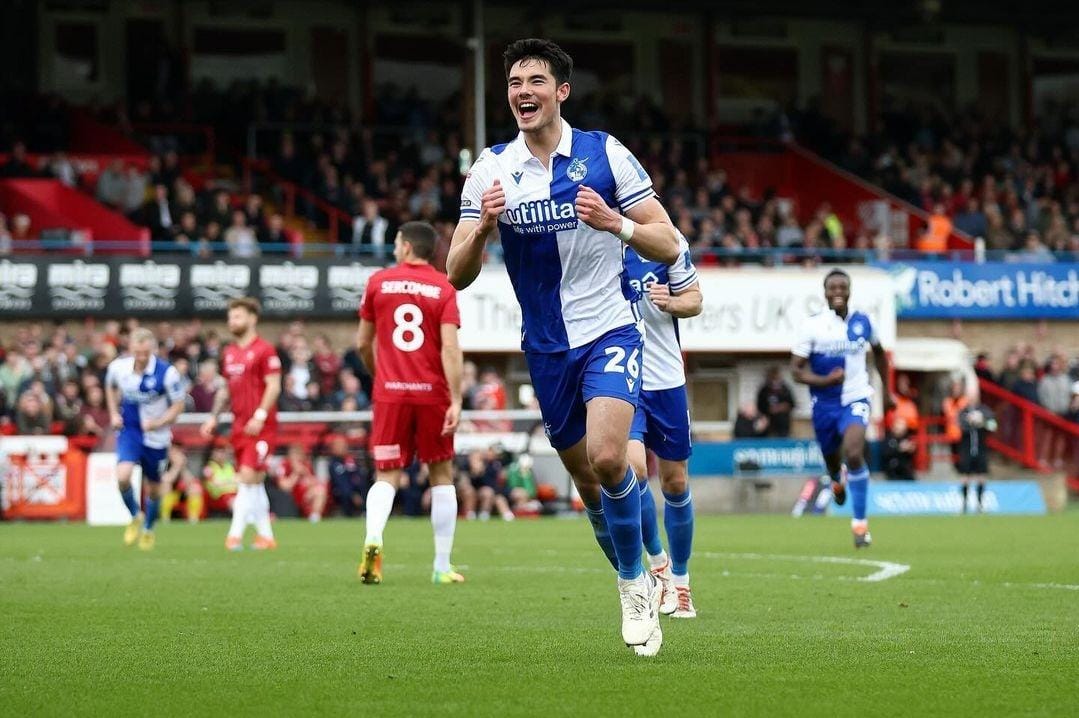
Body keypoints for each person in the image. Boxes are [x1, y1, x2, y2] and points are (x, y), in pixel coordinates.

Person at [446, 37, 679, 654]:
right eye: (515, 82)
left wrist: (617, 223)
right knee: (586, 481)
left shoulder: (606, 154)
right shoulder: (491, 169)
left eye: (536, 81)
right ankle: (634, 567)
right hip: (547, 348)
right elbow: (455, 271)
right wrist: (484, 230)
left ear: (561, 91)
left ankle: (636, 586)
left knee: (610, 458)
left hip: (609, 328)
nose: (523, 91)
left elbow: (669, 242)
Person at [356, 221, 465, 585]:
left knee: (387, 473)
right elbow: (450, 347)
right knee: (441, 474)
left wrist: (380, 375)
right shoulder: (443, 286)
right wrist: (457, 397)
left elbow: (361, 344)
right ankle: (441, 565)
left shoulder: (378, 282)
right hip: (432, 392)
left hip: (390, 392)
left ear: (405, 247)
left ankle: (373, 539)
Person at [623, 231, 703, 622]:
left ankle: (682, 579)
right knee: (633, 470)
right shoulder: (596, 247)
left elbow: (695, 301)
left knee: (674, 483)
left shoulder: (668, 243)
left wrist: (671, 301)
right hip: (622, 379)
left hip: (667, 380)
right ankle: (659, 565)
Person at [790, 269, 894, 548]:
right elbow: (796, 372)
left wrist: (889, 392)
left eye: (842, 286)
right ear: (824, 293)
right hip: (824, 404)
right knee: (833, 459)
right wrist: (825, 380)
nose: (837, 291)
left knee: (855, 452)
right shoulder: (812, 326)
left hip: (856, 398)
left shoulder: (863, 321)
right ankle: (836, 479)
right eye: (832, 287)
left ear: (849, 290)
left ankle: (860, 526)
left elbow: (881, 355)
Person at [200, 297, 283, 551]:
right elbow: (226, 389)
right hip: (239, 426)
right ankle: (266, 536)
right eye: (230, 317)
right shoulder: (230, 353)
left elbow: (274, 385)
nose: (231, 321)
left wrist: (259, 415)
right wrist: (214, 416)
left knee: (247, 477)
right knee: (254, 481)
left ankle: (234, 535)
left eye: (237, 316)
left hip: (261, 426)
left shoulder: (265, 350)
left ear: (252, 319)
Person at [104, 328, 187, 550]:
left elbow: (179, 405)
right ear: (130, 348)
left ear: (152, 350)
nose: (141, 356)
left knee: (154, 488)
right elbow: (111, 388)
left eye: (145, 352)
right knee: (123, 476)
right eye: (137, 351)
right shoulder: (118, 368)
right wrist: (113, 413)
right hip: (130, 430)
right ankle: (134, 515)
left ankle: (149, 529)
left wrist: (159, 423)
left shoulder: (166, 373)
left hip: (156, 435)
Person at [956, 399, 997, 512]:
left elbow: (993, 426)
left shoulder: (985, 411)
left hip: (981, 449)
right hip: (966, 449)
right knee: (965, 476)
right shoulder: (963, 412)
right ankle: (964, 504)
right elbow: (960, 425)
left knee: (981, 477)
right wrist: (971, 422)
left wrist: (982, 422)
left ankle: (980, 504)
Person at [276, 444, 328, 522]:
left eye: (299, 454)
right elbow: (285, 486)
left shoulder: (305, 465)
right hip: (291, 496)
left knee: (320, 490)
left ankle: (314, 517)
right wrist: (296, 473)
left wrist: (305, 473)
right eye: (295, 454)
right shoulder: (284, 465)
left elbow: (314, 482)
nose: (297, 457)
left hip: (305, 494)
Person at [158, 443, 204, 523]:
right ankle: (165, 518)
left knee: (195, 488)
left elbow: (191, 481)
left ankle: (193, 519)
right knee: (166, 486)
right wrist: (176, 466)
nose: (176, 455)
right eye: (174, 452)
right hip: (167, 493)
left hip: (181, 493)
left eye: (178, 452)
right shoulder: (164, 462)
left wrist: (183, 468)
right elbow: (166, 479)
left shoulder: (185, 463)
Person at [327, 435, 369, 517]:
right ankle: (348, 515)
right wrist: (353, 495)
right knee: (345, 493)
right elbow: (341, 482)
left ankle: (365, 512)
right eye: (340, 446)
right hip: (341, 492)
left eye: (344, 445)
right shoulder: (334, 463)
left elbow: (358, 476)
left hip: (356, 489)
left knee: (366, 487)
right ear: (333, 448)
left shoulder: (350, 460)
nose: (343, 447)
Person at [756, 366, 795, 438]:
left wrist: (782, 407)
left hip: (783, 423)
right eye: (772, 376)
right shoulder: (764, 390)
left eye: (776, 375)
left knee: (783, 440)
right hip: (769, 423)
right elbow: (759, 405)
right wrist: (769, 409)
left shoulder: (785, 389)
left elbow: (792, 404)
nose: (774, 378)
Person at [882, 416, 916, 481]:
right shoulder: (888, 439)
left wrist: (911, 450)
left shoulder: (907, 439)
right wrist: (899, 449)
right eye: (898, 427)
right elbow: (885, 454)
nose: (900, 430)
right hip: (892, 470)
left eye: (903, 428)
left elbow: (912, 455)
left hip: (906, 471)